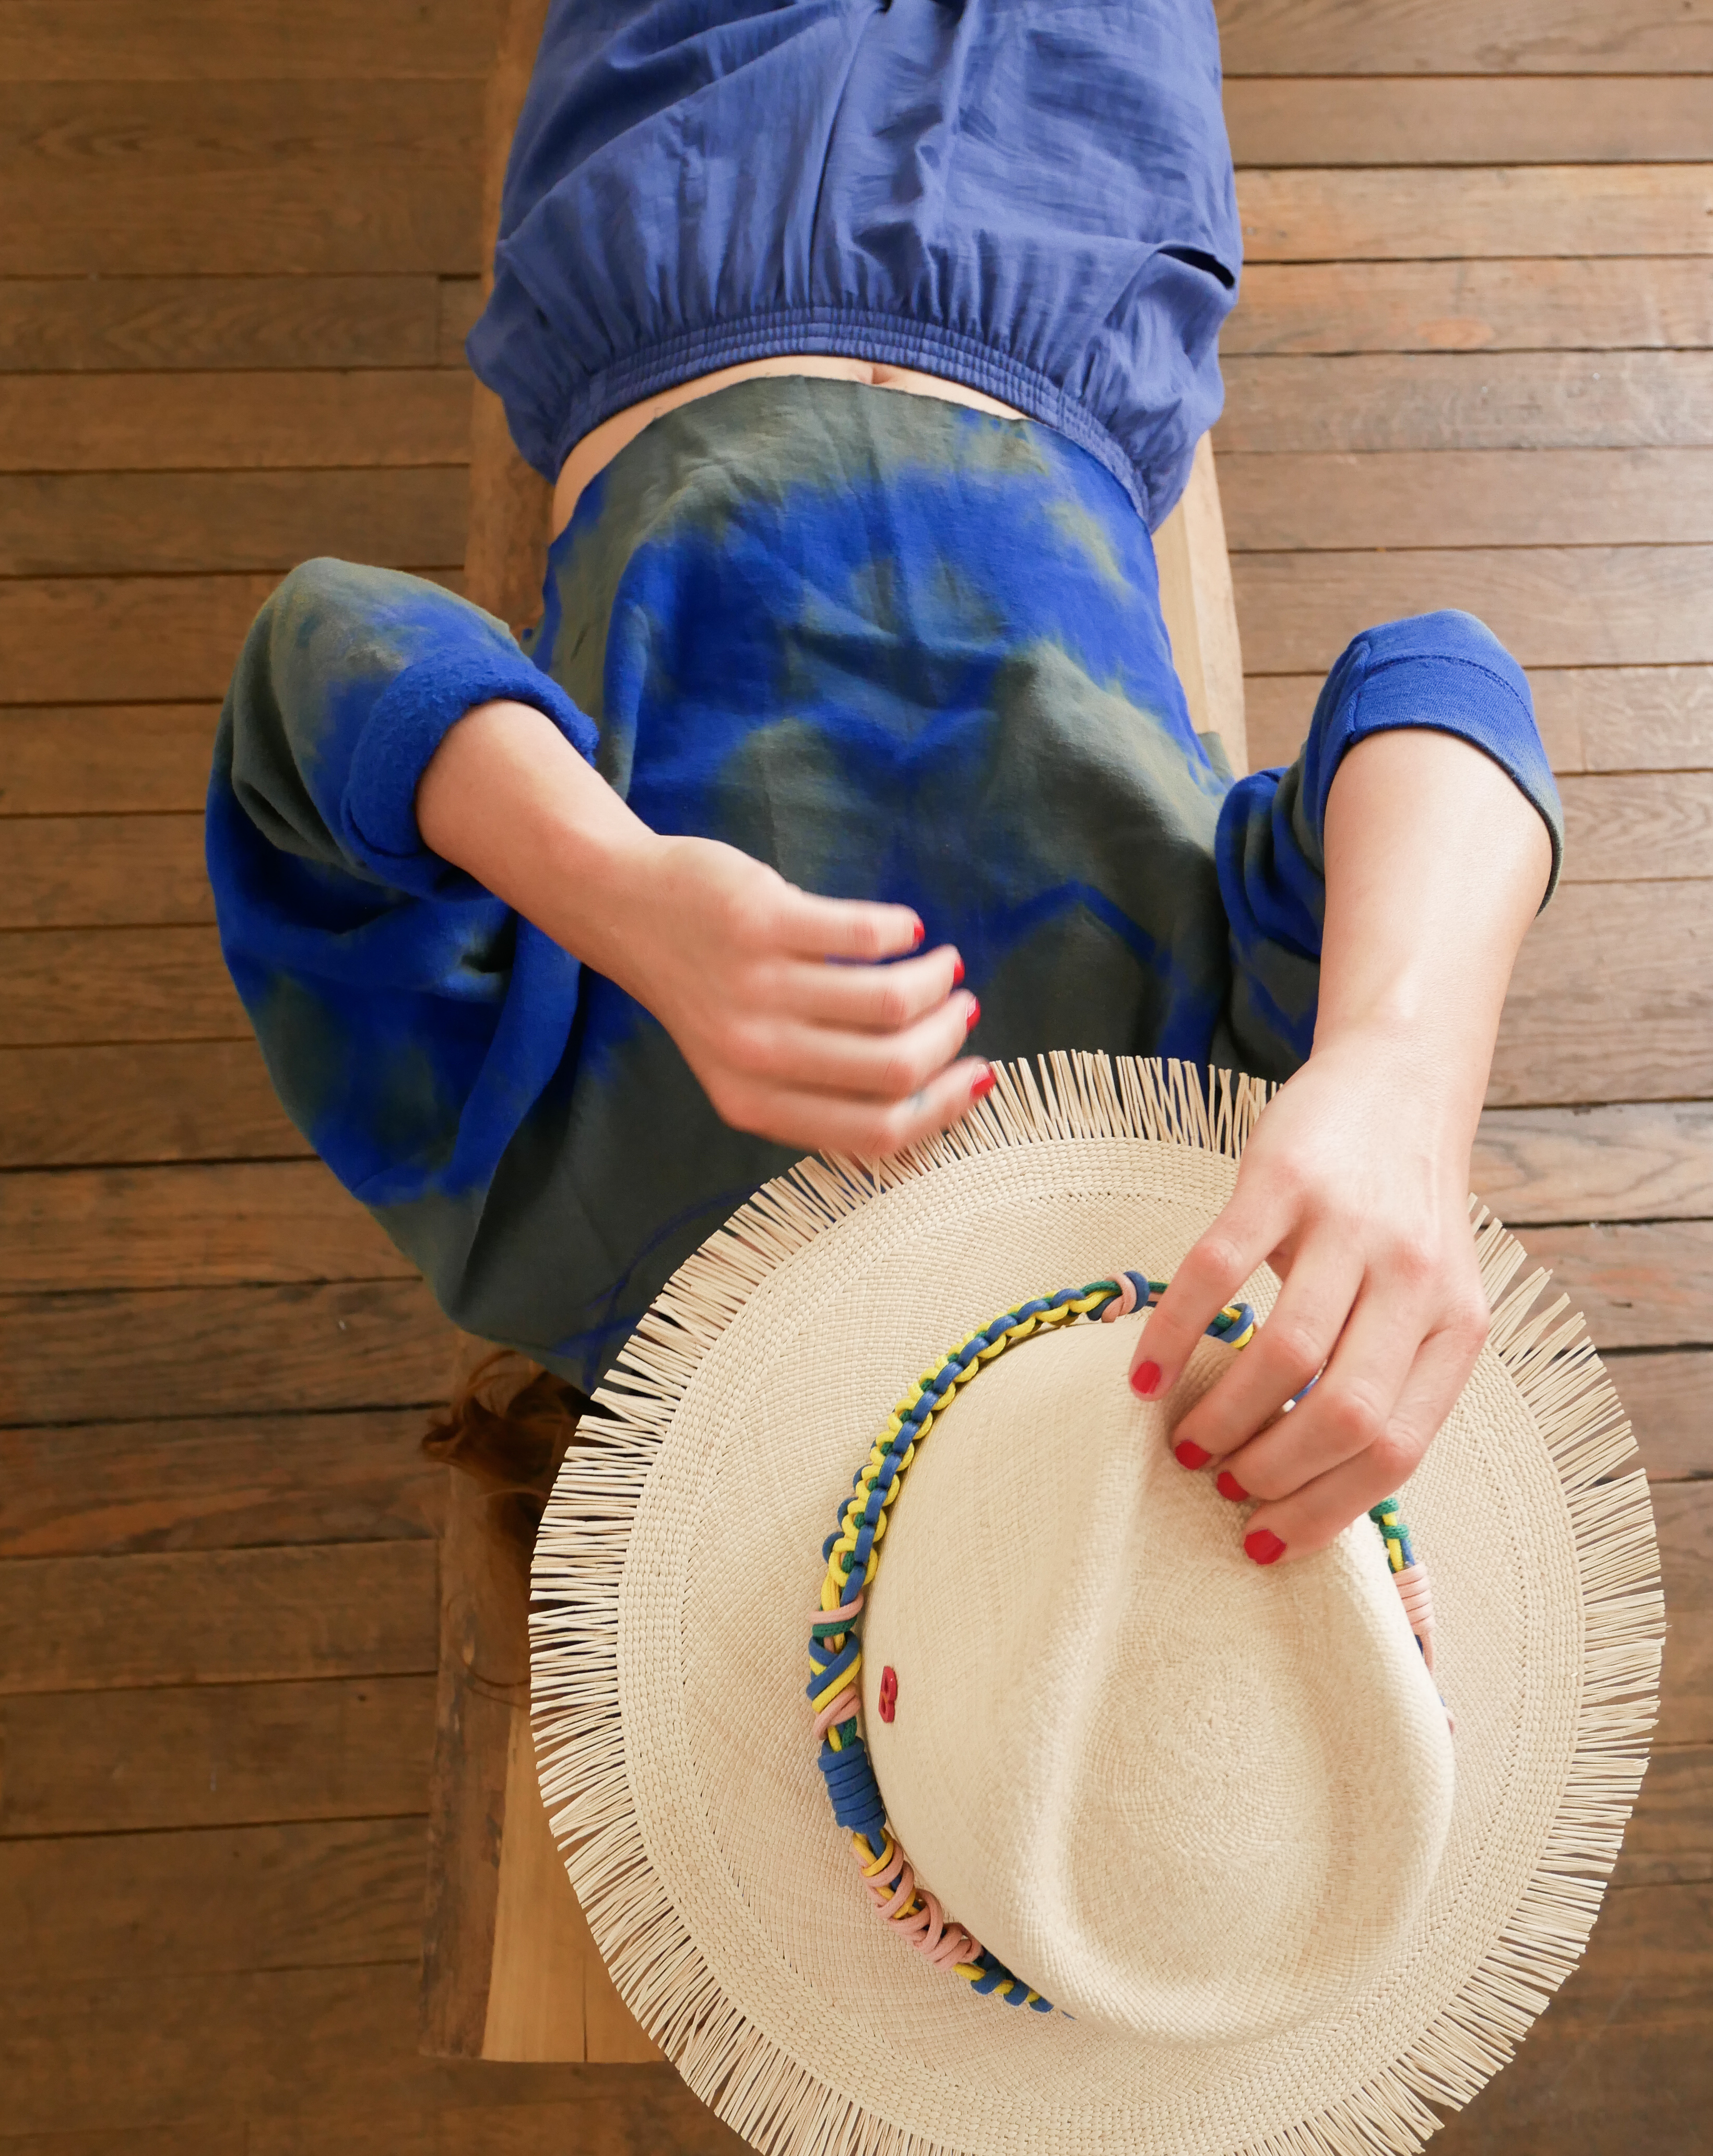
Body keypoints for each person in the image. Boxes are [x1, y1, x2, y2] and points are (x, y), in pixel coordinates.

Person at [206, 0, 1560, 1566]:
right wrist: (1402, 1076)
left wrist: (623, 895)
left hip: (681, 197)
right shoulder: (1195, 1215)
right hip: (1078, 239)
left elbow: (318, 664)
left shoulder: (556, 1233)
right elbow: (1445, 686)